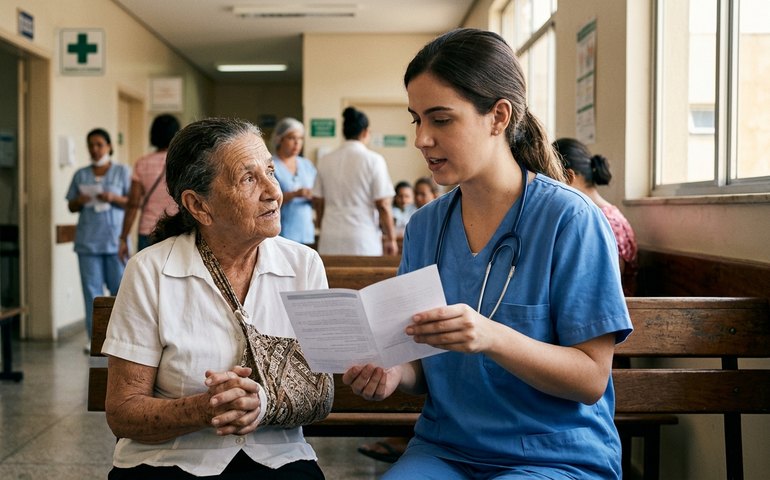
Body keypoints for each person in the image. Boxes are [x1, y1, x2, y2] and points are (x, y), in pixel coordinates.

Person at [343, 28, 633, 480]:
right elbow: (420, 364)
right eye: (415, 119)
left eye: (440, 120)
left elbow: (591, 379)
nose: (422, 139)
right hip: (446, 450)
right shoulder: (424, 227)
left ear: (498, 116)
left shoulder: (570, 220)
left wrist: (491, 336)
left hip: (553, 456)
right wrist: (393, 374)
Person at [101, 118, 330, 479]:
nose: (273, 190)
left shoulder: (303, 265)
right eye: (249, 178)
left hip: (278, 457)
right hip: (167, 460)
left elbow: (319, 394)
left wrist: (264, 404)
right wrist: (202, 409)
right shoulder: (150, 271)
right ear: (199, 205)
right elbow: (123, 412)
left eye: (270, 170)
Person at [66, 128, 131, 352]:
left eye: (99, 144)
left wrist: (113, 197)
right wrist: (80, 200)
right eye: (91, 145)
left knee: (119, 291)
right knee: (91, 293)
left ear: (109, 146)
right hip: (88, 242)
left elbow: (132, 202)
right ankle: (93, 338)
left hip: (115, 242)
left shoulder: (122, 172)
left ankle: (119, 340)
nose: (95, 149)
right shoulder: (81, 175)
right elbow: (71, 205)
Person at [553, 137, 638, 296]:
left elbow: (605, 286)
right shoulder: (604, 214)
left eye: (552, 179)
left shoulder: (603, 221)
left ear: (569, 177)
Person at [312, 107, 398, 256]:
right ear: (365, 132)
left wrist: (321, 225)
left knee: (329, 279)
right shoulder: (374, 160)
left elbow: (318, 200)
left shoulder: (325, 160)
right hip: (362, 238)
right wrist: (391, 239)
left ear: (344, 132)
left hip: (330, 237)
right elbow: (383, 204)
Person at [118, 113, 181, 262]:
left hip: (148, 230)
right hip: (177, 228)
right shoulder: (182, 164)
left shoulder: (142, 163)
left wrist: (123, 237)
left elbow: (133, 204)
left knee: (147, 278)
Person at [270, 117, 317, 246]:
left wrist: (313, 196)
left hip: (306, 232)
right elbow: (268, 199)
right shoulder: (271, 165)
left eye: (300, 138)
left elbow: (316, 192)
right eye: (291, 138)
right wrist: (295, 194)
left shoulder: (306, 165)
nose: (297, 143)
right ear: (279, 139)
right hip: (283, 233)